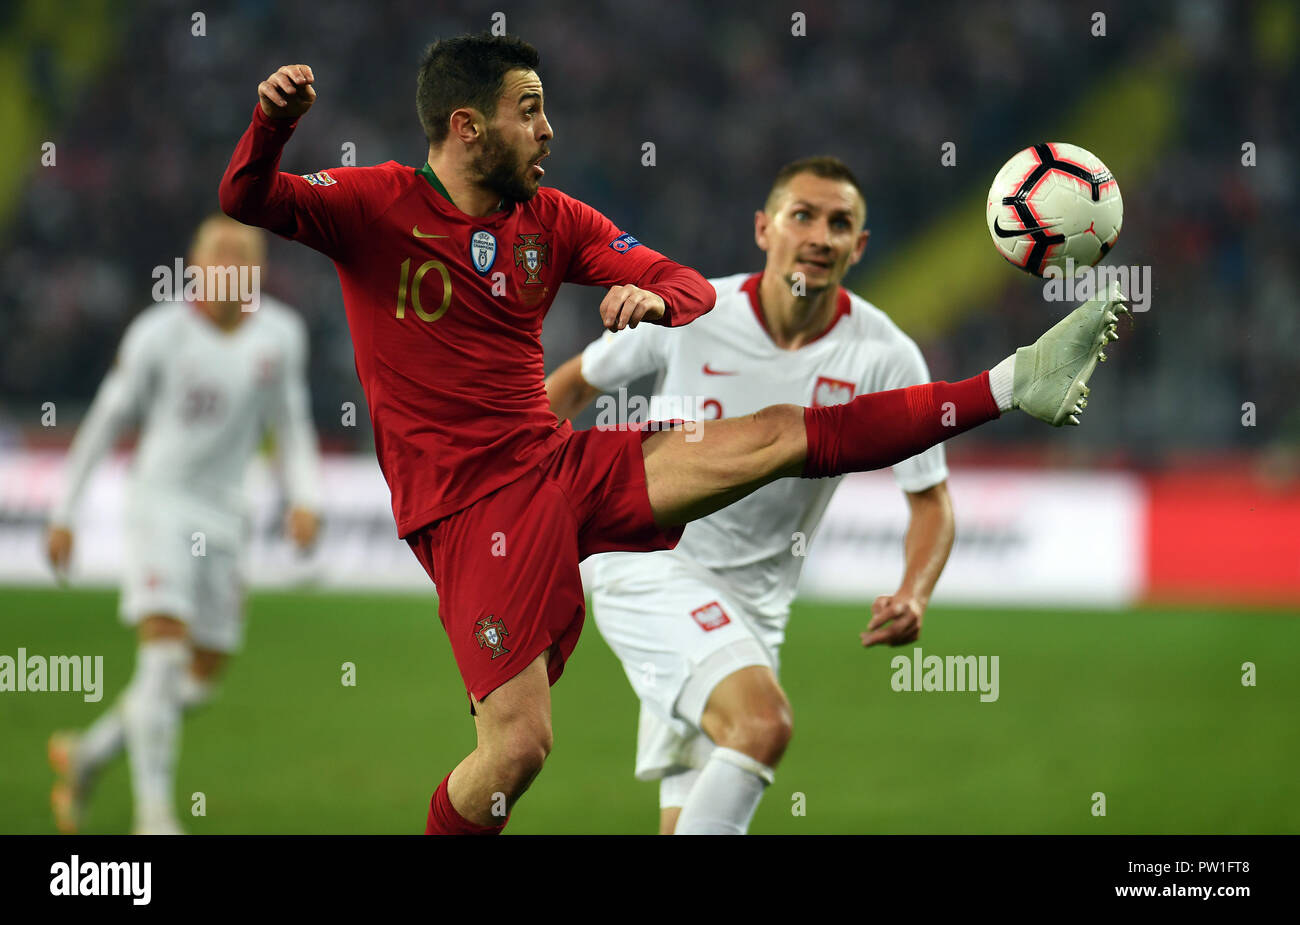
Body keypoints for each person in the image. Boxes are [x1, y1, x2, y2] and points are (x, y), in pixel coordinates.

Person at [217, 33, 1127, 835]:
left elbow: (690, 286)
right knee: (519, 752)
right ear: (466, 126)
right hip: (463, 508)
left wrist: (655, 296)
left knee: (773, 434)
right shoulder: (373, 204)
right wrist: (271, 124)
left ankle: (1014, 383)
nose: (548, 130)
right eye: (529, 111)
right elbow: (247, 196)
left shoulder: (555, 221)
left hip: (555, 464)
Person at [546, 156, 954, 833]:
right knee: (762, 723)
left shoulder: (886, 357)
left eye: (841, 223)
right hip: (650, 564)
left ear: (861, 246)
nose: (821, 235)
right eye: (804, 216)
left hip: (756, 611)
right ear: (765, 229)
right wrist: (513, 494)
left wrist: (915, 591)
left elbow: (930, 499)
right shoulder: (691, 310)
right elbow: (573, 385)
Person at [45, 214, 322, 835]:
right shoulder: (158, 334)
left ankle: (88, 756)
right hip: (160, 505)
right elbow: (105, 421)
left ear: (258, 271)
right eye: (216, 254)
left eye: (241, 255)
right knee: (164, 661)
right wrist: (64, 512)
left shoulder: (280, 335)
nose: (228, 266)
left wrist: (305, 498)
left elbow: (292, 421)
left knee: (198, 680)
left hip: (228, 516)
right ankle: (155, 817)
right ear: (194, 267)